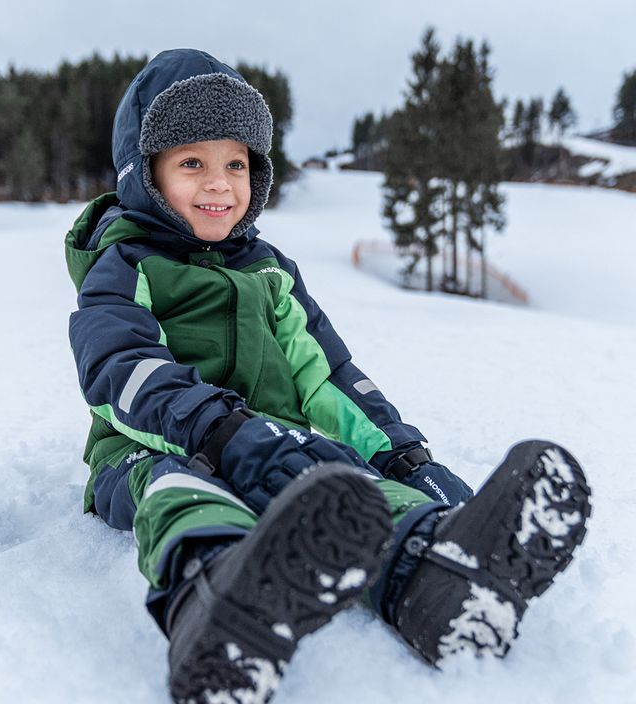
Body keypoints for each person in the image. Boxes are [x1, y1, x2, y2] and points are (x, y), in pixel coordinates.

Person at [65, 48, 591, 704]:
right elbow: (123, 372)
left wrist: (402, 457)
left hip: (275, 446)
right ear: (144, 175)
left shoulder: (269, 271)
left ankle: (437, 578)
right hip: (153, 449)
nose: (220, 184)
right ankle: (219, 601)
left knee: (356, 491)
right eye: (191, 163)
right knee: (183, 490)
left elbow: (328, 376)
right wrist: (224, 432)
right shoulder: (123, 268)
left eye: (236, 163)